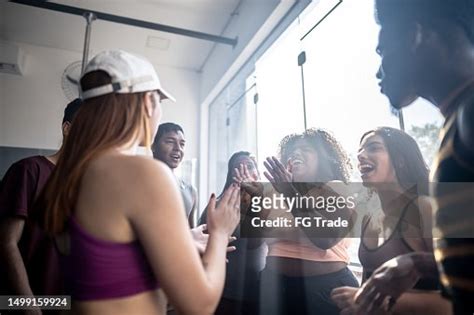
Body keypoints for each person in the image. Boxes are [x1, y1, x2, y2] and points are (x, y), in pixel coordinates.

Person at [35, 49, 241, 315]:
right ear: (147, 102)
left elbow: (107, 265)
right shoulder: (144, 174)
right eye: (160, 100)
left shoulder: (69, 176)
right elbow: (199, 305)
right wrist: (221, 233)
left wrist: (183, 241)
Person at [354, 1, 474, 314]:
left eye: (382, 52)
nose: (378, 71)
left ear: (414, 36)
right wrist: (421, 263)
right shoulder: (458, 121)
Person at [331, 127, 451, 315]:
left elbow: (459, 302)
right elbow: (368, 282)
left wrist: (371, 301)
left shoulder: (425, 209)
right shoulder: (369, 217)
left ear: (400, 160)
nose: (361, 155)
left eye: (373, 147)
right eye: (360, 150)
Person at [258, 128, 358, 315]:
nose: (296, 153)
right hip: (274, 288)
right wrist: (303, 228)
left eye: (306, 149)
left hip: (323, 290)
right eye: (292, 151)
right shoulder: (273, 192)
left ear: (323, 158)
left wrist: (288, 195)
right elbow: (257, 236)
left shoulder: (336, 188)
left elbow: (324, 239)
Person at [0, 98, 82, 306]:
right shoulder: (30, 171)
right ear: (67, 128)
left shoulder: (90, 188)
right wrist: (29, 307)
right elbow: (6, 242)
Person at [199, 151, 267, 315]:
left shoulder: (267, 202)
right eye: (239, 167)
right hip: (225, 292)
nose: (245, 171)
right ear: (231, 175)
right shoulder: (218, 205)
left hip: (256, 290)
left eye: (250, 167)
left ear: (257, 174)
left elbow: (257, 243)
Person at [152, 122, 197, 225]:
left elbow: (192, 232)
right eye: (170, 142)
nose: (178, 148)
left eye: (182, 144)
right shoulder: (141, 184)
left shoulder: (190, 191)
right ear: (153, 146)